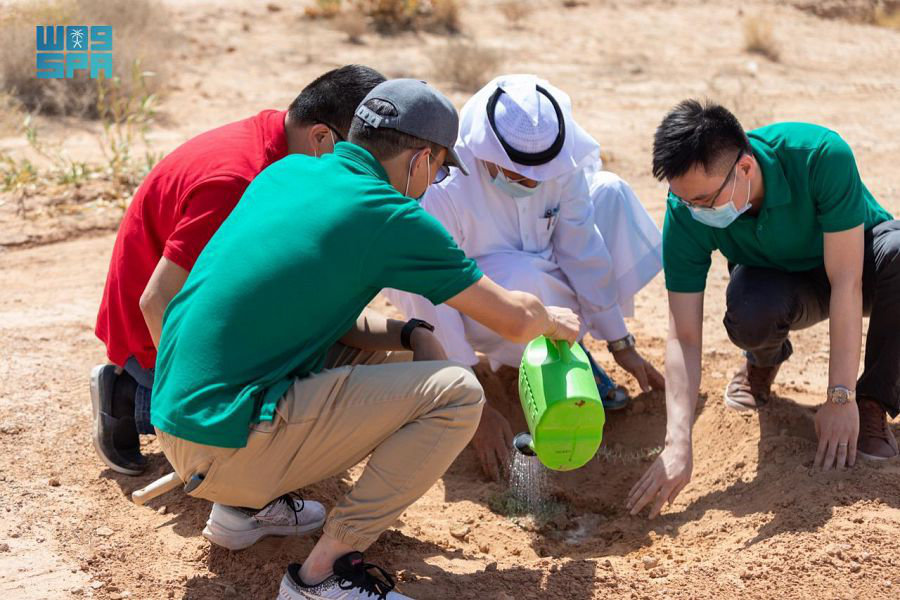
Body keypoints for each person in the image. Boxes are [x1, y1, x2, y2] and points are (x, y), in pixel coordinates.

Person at [150, 79, 582, 599]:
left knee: (399, 347)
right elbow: (513, 319)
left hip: (182, 417)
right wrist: (555, 322)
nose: (437, 180)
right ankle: (322, 576)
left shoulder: (287, 173)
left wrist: (411, 332)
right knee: (457, 395)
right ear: (420, 160)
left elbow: (304, 318)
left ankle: (246, 508)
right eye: (441, 169)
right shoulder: (388, 216)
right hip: (226, 443)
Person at [91, 64, 386, 480]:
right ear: (321, 137)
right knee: (263, 414)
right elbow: (156, 300)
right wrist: (196, 407)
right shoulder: (238, 181)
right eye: (360, 154)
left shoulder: (281, 137)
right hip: (149, 331)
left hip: (206, 311)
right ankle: (130, 395)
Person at [627, 100, 900, 520]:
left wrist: (841, 397)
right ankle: (761, 362)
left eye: (704, 199)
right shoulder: (685, 211)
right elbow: (683, 334)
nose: (696, 211)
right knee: (750, 309)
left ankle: (872, 405)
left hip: (856, 269)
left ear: (746, 169)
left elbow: (846, 282)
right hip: (778, 283)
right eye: (686, 202)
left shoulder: (820, 155)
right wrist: (677, 440)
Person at [384, 74, 664, 479]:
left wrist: (620, 341)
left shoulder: (560, 169)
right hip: (475, 301)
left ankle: (569, 355)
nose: (532, 182)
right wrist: (471, 400)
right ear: (485, 152)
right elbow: (429, 293)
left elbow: (581, 246)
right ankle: (512, 372)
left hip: (542, 277)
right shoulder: (443, 188)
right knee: (523, 276)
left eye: (539, 175)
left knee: (611, 194)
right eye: (518, 174)